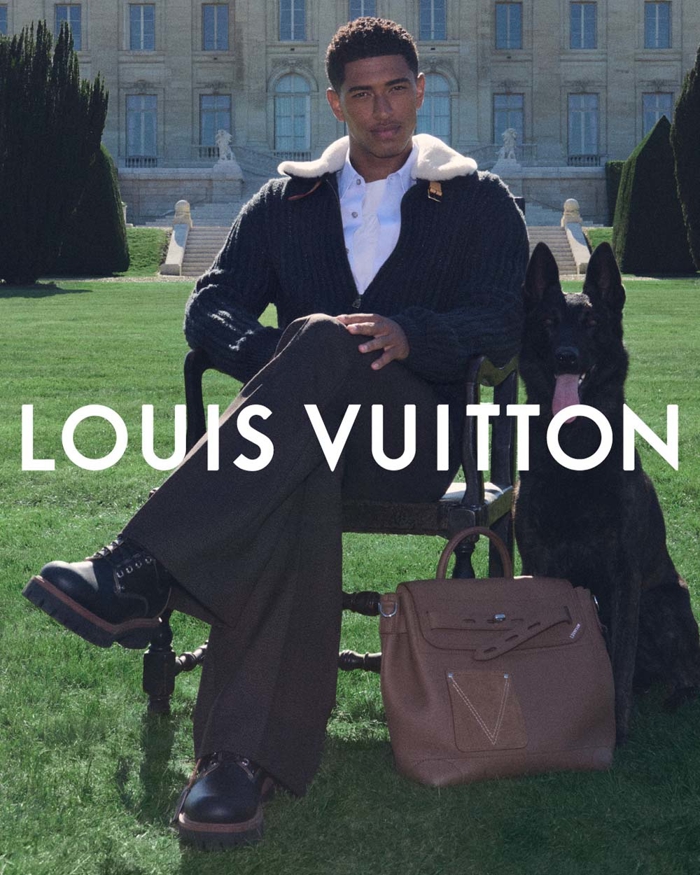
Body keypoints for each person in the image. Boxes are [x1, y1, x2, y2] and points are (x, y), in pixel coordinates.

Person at [23, 17, 529, 850]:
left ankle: (143, 566)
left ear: (421, 91)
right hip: (297, 448)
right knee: (299, 457)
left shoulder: (477, 201)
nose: (382, 110)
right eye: (362, 95)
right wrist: (285, 362)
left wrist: (412, 335)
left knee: (319, 354)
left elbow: (505, 321)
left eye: (396, 89)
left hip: (414, 443)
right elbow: (211, 305)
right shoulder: (288, 201)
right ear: (334, 104)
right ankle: (234, 764)